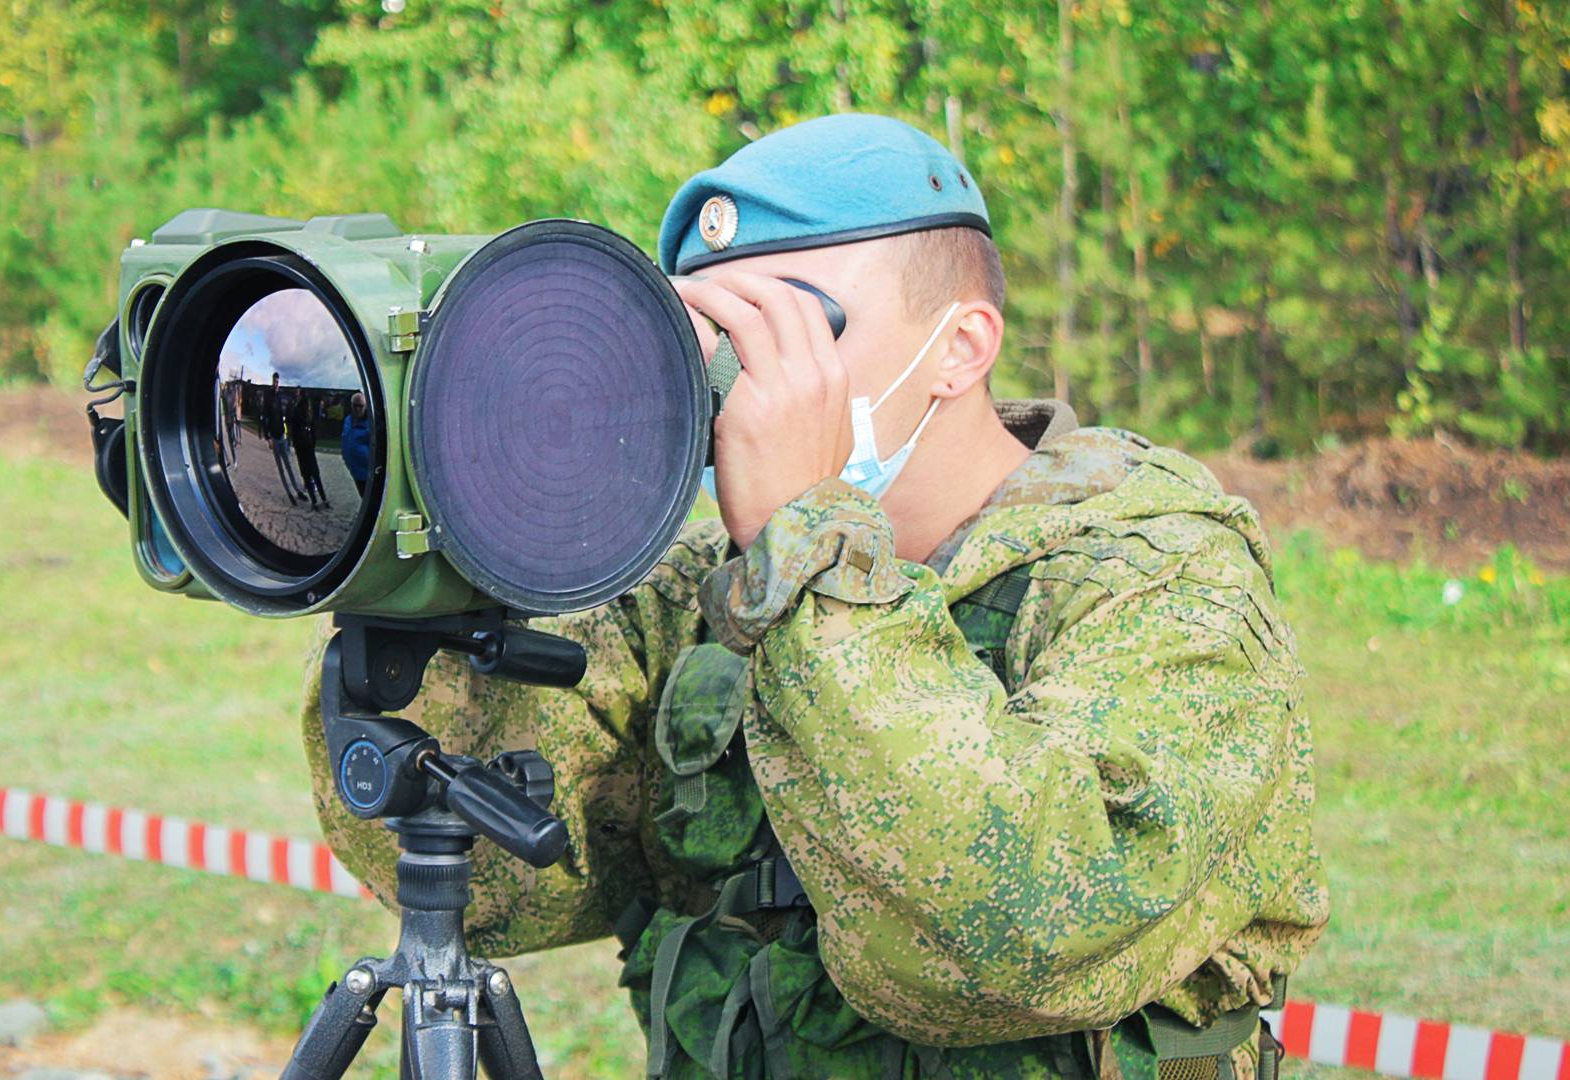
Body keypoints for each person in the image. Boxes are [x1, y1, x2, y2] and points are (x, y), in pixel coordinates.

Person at [299, 114, 1328, 1079]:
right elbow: (498, 887)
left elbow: (1023, 936)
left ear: (962, 347)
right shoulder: (698, 590)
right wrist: (470, 523)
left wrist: (811, 552)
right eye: (709, 335)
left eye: (790, 328)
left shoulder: (1157, 581)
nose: (742, 380)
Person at [267, 373, 305, 504]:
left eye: (277, 381)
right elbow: (265, 417)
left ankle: (298, 491)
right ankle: (289, 494)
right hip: (274, 438)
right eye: (274, 381)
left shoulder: (282, 397)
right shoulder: (269, 397)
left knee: (289, 465)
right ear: (272, 381)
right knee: (281, 468)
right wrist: (268, 438)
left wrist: (289, 435)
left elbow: (287, 417)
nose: (276, 384)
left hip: (282, 436)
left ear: (279, 382)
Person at [290, 389, 330, 509]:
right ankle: (324, 499)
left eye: (297, 395)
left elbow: (294, 431)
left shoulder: (297, 410)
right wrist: (312, 444)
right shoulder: (309, 410)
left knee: (307, 475)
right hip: (309, 447)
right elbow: (313, 430)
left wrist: (297, 444)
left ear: (300, 396)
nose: (296, 397)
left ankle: (315, 501)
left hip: (302, 449)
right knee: (315, 474)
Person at [340, 391, 372, 497]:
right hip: (354, 469)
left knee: (367, 497)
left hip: (366, 473)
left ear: (366, 406)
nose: (357, 408)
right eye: (355, 405)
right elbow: (345, 438)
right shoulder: (348, 420)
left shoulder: (370, 425)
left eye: (360, 406)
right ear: (351, 405)